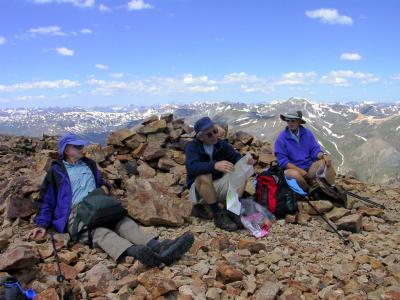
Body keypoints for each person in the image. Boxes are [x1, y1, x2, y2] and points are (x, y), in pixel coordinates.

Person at [27, 133, 194, 267]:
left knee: (124, 223)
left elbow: (101, 182)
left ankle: (160, 247)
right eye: (76, 146)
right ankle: (137, 252)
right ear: (65, 150)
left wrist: (106, 187)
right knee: (99, 232)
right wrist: (41, 225)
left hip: (99, 203)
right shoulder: (56, 172)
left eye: (81, 145)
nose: (81, 148)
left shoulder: (89, 164)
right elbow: (47, 201)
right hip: (77, 212)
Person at [185, 117, 254, 231]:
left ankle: (232, 209)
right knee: (203, 175)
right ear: (201, 137)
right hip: (200, 191)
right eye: (209, 134)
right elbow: (192, 167)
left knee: (241, 170)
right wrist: (214, 165)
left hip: (217, 187)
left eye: (215, 131)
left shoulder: (220, 144)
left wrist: (245, 161)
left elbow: (235, 157)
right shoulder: (193, 147)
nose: (214, 136)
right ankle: (217, 214)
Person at [274, 111, 336, 192]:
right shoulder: (281, 138)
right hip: (293, 169)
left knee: (325, 162)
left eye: (293, 120)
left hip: (308, 168)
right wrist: (301, 171)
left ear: (299, 121)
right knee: (295, 175)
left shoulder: (307, 133)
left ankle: (332, 188)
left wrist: (324, 155)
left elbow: (315, 150)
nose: (290, 123)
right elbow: (283, 162)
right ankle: (309, 190)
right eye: (288, 120)